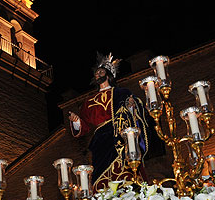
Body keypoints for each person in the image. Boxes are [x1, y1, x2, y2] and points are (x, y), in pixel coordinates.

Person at [69, 52, 161, 189]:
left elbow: (135, 111)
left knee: (125, 171)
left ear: (108, 75)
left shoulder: (121, 93)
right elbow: (85, 126)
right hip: (101, 140)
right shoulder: (89, 101)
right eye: (96, 73)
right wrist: (76, 121)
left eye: (100, 72)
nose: (97, 75)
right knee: (100, 174)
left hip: (120, 136)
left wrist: (131, 107)